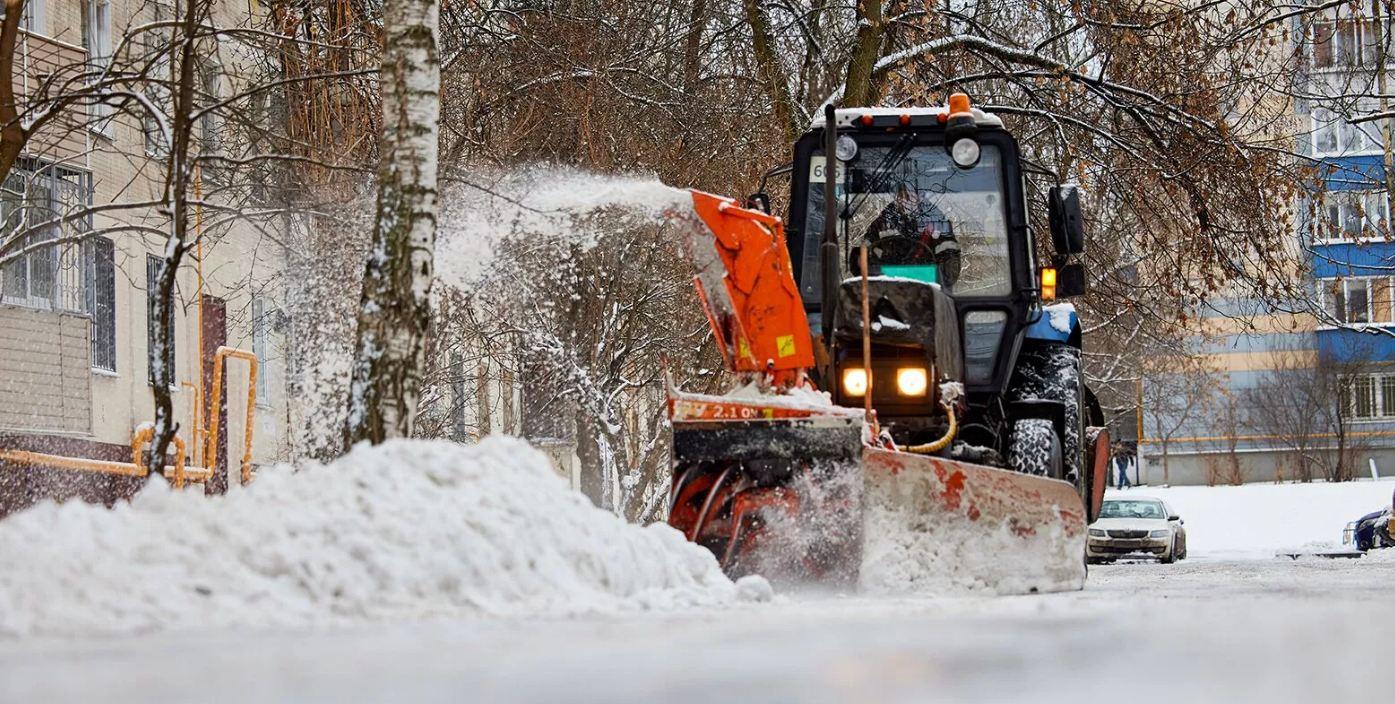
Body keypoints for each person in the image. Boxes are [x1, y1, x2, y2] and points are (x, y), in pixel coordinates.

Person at [865, 184, 962, 286]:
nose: (904, 200)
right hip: (890, 290)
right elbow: (864, 256)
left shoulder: (937, 220)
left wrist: (933, 276)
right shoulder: (883, 222)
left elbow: (950, 267)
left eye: (908, 194)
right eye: (900, 194)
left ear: (920, 195)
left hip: (927, 290)